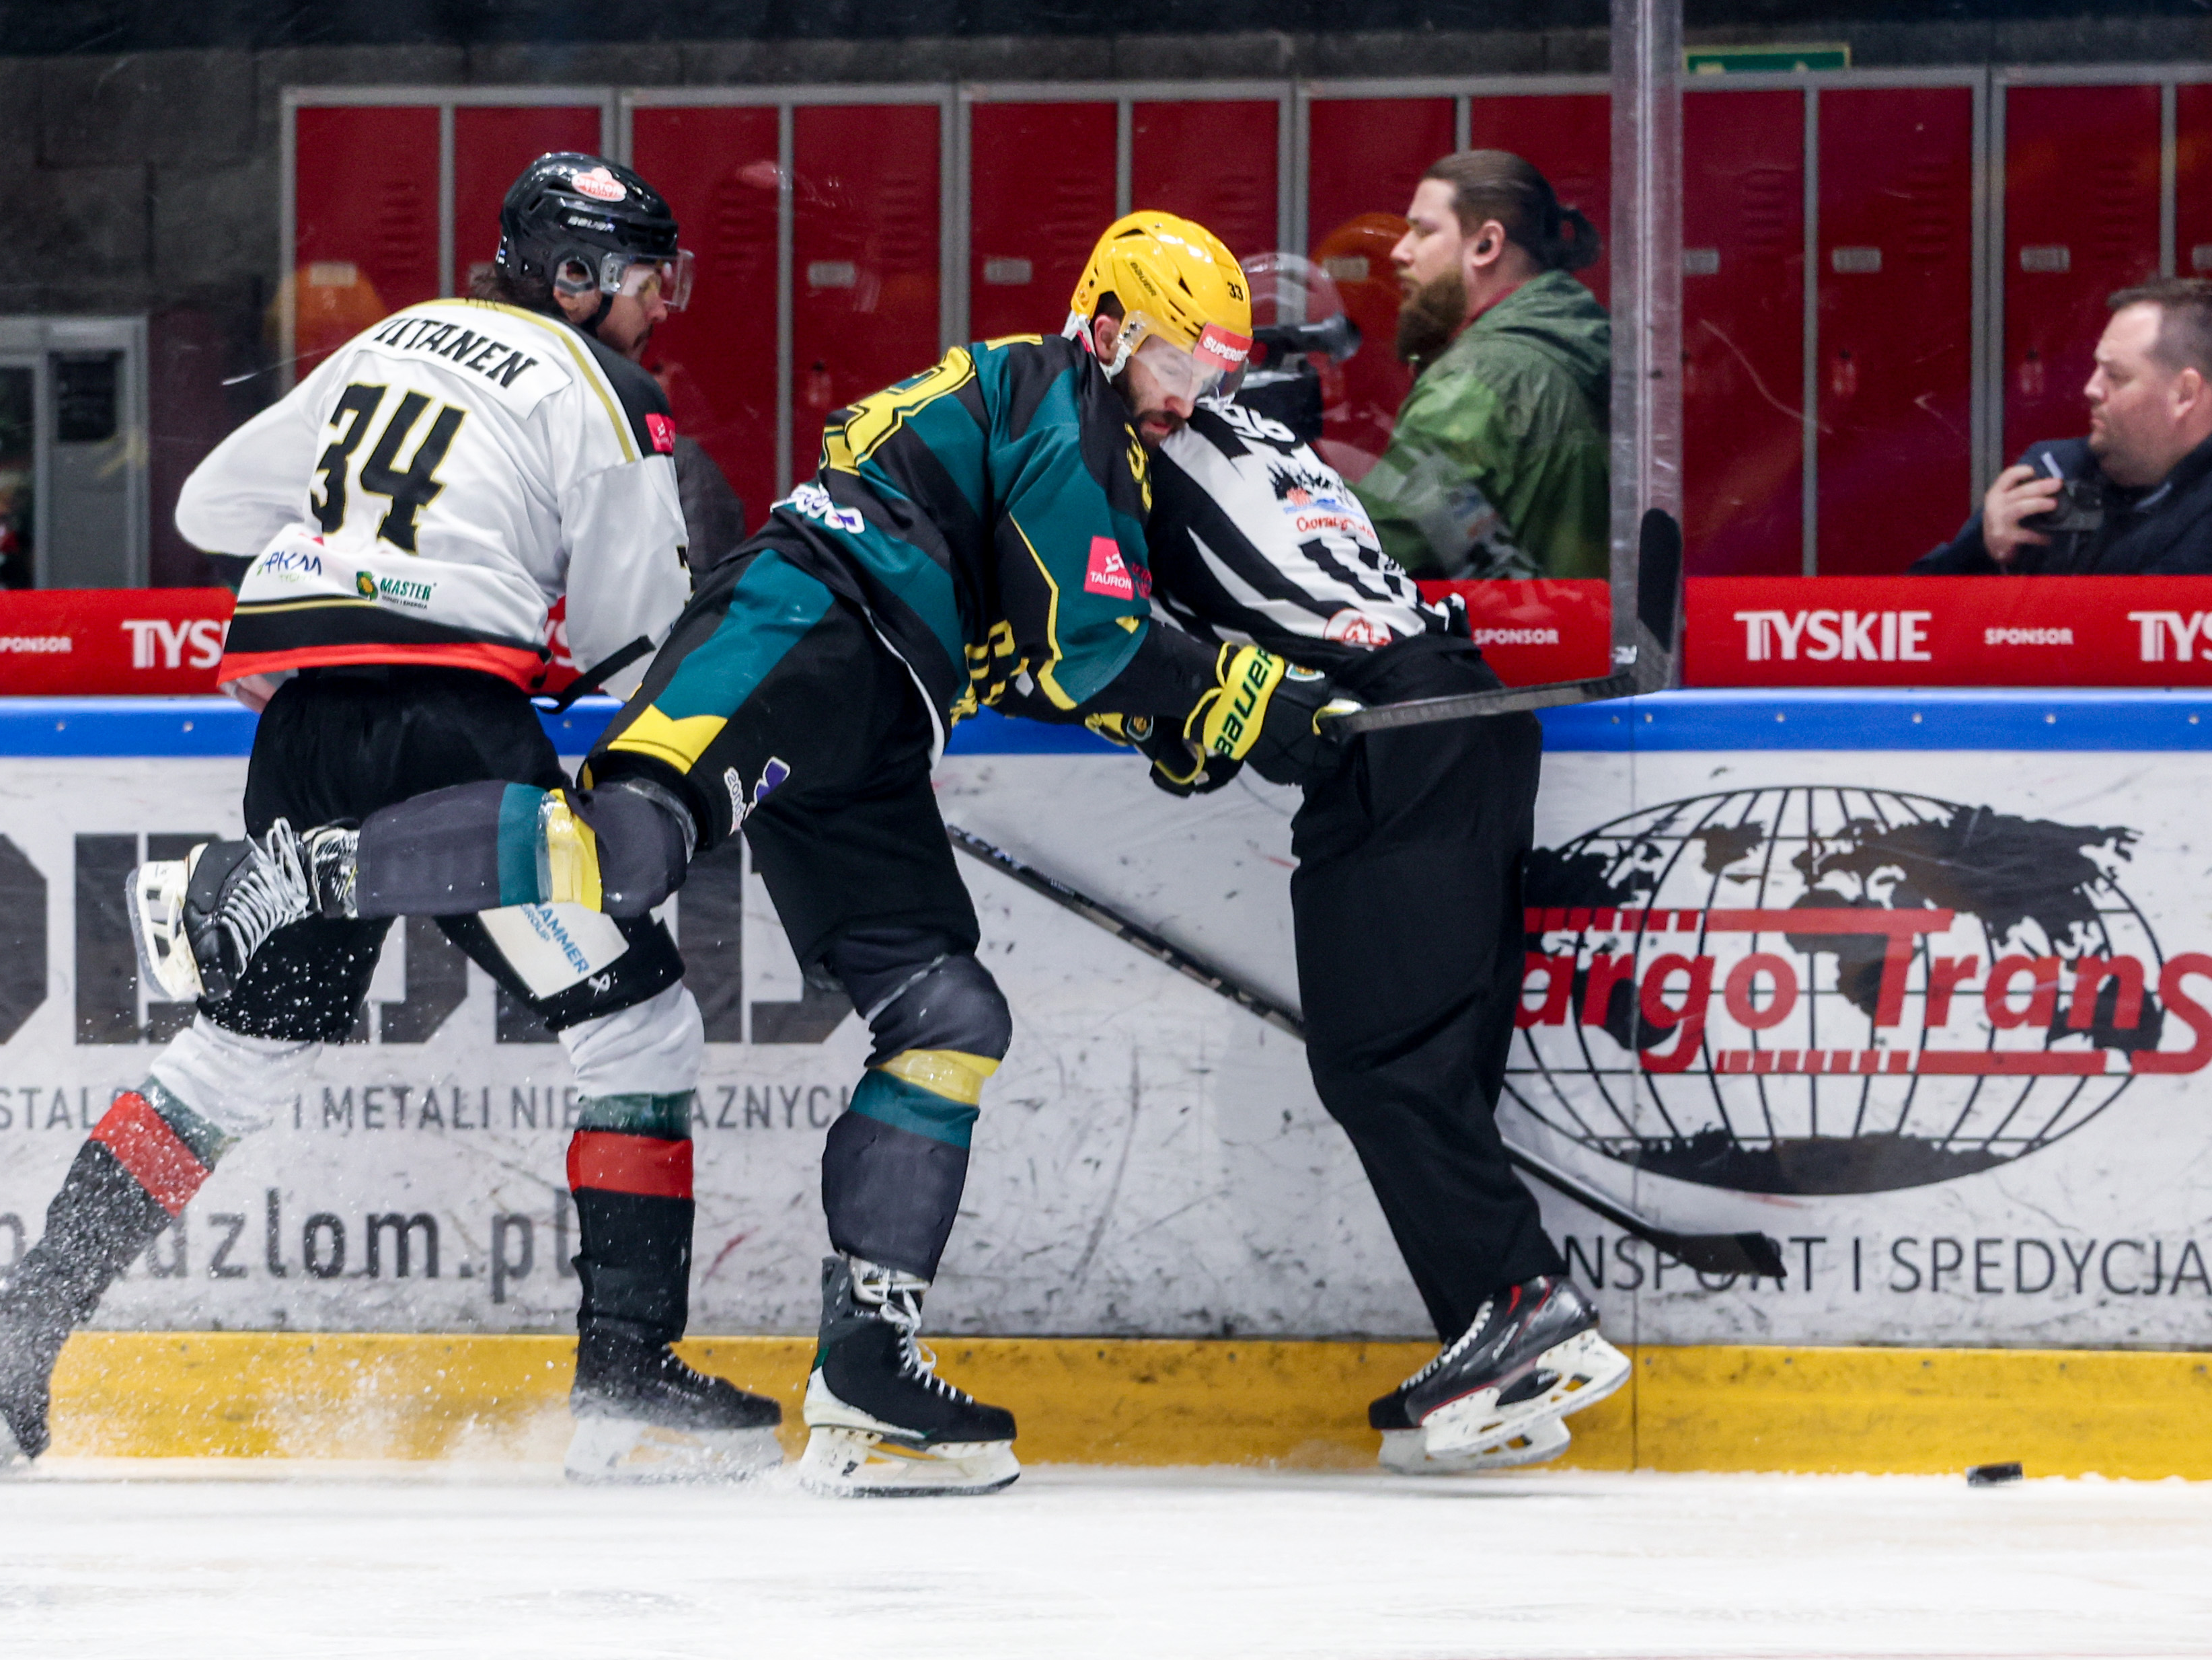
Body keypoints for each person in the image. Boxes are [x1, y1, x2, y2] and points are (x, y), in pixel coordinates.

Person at [142, 211, 1350, 1497]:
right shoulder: (1061, 401)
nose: (1189, 395)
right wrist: (1251, 699)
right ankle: (297, 875)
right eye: (1175, 360)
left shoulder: (1085, 433)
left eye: (1210, 374)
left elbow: (1053, 652)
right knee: (625, 847)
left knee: (947, 1014)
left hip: (886, 706)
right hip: (798, 621)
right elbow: (1091, 646)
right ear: (1107, 328)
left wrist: (1201, 721)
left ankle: (867, 1370)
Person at [0, 153, 785, 1486]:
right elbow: (635, 642)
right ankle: (625, 1384)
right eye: (645, 278)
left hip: (305, 728)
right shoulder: (605, 391)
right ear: (573, 278)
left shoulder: (396, 338)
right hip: (445, 729)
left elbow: (210, 502)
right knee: (638, 1024)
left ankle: (13, 1328)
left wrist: (374, 551)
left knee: (238, 1055)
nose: (661, 305)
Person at [1141, 324, 1630, 1473]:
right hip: (1471, 712)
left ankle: (1523, 1307)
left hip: (1390, 738)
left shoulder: (1132, 455)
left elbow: (1116, 638)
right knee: (1440, 1071)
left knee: (1383, 1063)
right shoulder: (1268, 438)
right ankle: (1495, 1353)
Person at [1346, 151, 1610, 582]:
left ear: (1486, 245)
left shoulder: (1478, 378)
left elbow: (1375, 550)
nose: (1399, 251)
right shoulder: (1572, 337)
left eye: (1422, 231)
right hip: (1578, 618)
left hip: (1506, 625)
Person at [1912, 278, 2212, 574]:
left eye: (2116, 375)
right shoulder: (2058, 472)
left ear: (2185, 394)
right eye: (2097, 368)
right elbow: (1915, 601)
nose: (2091, 388)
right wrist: (1982, 550)